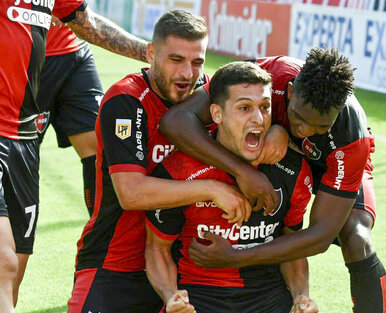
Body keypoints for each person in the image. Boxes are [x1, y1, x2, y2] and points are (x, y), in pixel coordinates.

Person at [160, 48, 386, 313]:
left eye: (320, 127)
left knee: (356, 235)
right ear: (289, 91)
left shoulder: (352, 139)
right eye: (299, 118)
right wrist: (243, 172)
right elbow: (176, 121)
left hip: (333, 162)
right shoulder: (272, 73)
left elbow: (320, 237)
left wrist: (237, 258)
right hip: (275, 162)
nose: (305, 131)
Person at [67, 10, 251, 313]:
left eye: (197, 62)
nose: (187, 74)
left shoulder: (211, 96)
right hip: (116, 260)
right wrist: (212, 189)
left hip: (186, 265)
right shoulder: (126, 100)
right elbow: (131, 193)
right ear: (151, 53)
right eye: (175, 60)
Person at [0, 1, 149, 311]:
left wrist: (153, 53)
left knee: (14, 265)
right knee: (4, 262)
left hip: (53, 79)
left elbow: (84, 21)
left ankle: (108, 255)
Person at [145, 61, 318, 313]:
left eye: (265, 107)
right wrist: (171, 296)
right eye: (244, 108)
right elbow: (157, 248)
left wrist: (301, 298)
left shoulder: (293, 171)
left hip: (268, 296)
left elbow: (291, 247)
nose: (258, 119)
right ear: (217, 114)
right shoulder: (178, 171)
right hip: (199, 297)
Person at [37, 23, 104, 216]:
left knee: (100, 151)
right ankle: (16, 244)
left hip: (74, 48)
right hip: (26, 56)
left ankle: (100, 240)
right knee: (20, 157)